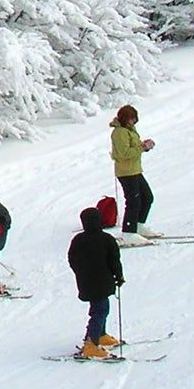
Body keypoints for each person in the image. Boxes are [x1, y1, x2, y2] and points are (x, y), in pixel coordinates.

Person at [67, 206, 125, 358]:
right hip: (103, 282)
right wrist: (119, 276)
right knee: (100, 311)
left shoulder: (78, 240)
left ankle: (100, 334)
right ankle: (91, 343)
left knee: (99, 308)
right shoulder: (106, 239)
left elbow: (72, 259)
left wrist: (80, 273)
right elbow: (114, 261)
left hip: (86, 282)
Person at [110, 104, 156, 235]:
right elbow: (124, 153)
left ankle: (138, 225)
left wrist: (144, 146)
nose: (133, 121)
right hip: (126, 172)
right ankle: (129, 232)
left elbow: (133, 147)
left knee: (147, 197)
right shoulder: (120, 133)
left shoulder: (130, 130)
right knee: (133, 202)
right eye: (131, 118)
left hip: (135, 170)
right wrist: (142, 148)